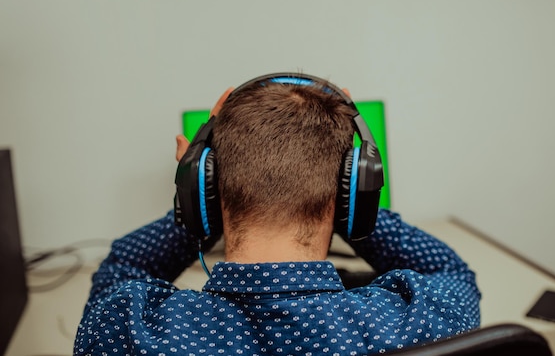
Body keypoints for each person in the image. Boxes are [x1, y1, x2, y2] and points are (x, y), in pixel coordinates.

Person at [74, 74, 480, 355]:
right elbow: (452, 272)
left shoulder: (126, 329)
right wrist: (356, 208)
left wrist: (196, 203)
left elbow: (123, 265)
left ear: (205, 189)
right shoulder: (418, 322)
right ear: (352, 192)